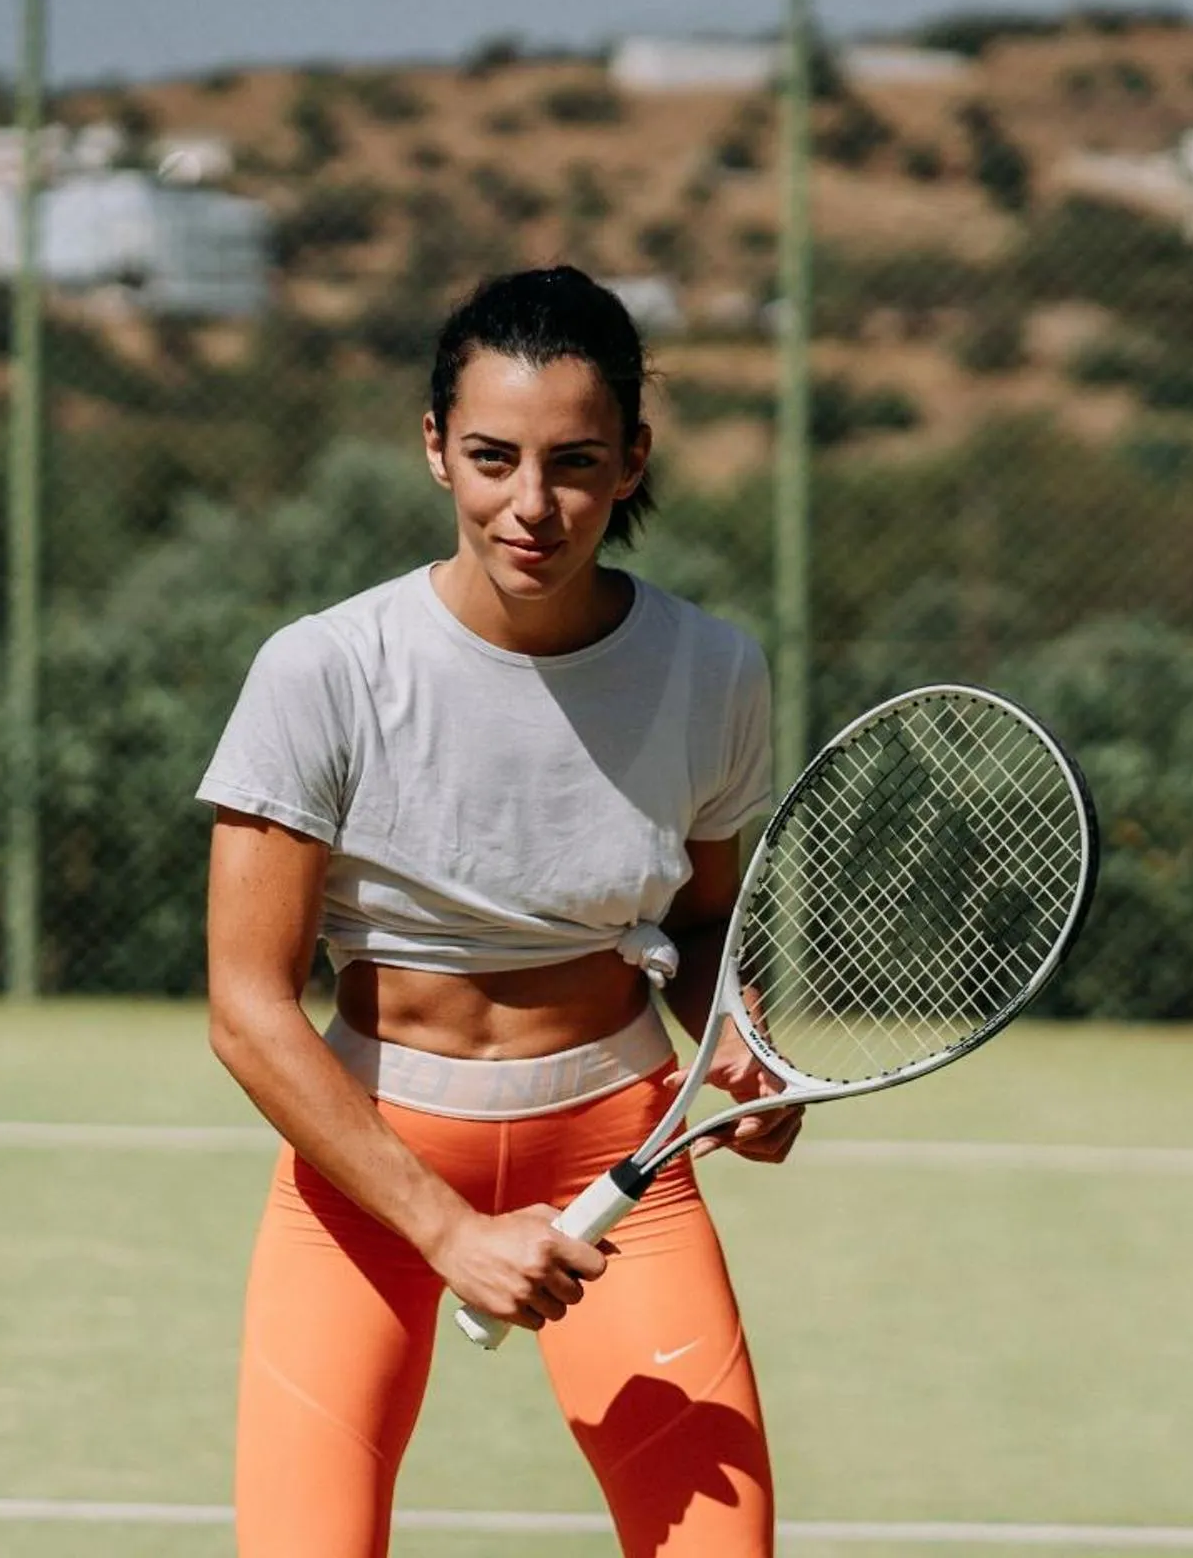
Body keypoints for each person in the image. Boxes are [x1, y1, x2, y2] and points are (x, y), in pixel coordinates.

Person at [199, 266, 800, 1558]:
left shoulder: (712, 671)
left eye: (575, 463)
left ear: (633, 460)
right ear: (435, 449)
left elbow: (704, 927)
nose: (531, 506)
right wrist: (448, 1230)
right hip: (369, 1177)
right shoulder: (324, 670)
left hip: (622, 1159)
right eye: (492, 458)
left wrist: (737, 1044)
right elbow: (247, 1010)